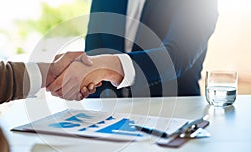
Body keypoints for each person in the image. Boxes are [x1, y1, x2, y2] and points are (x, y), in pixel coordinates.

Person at [48, 0, 219, 99]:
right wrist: (81, 83)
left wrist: (106, 67)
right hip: (109, 119)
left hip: (174, 111)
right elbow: (94, 51)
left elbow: (176, 56)